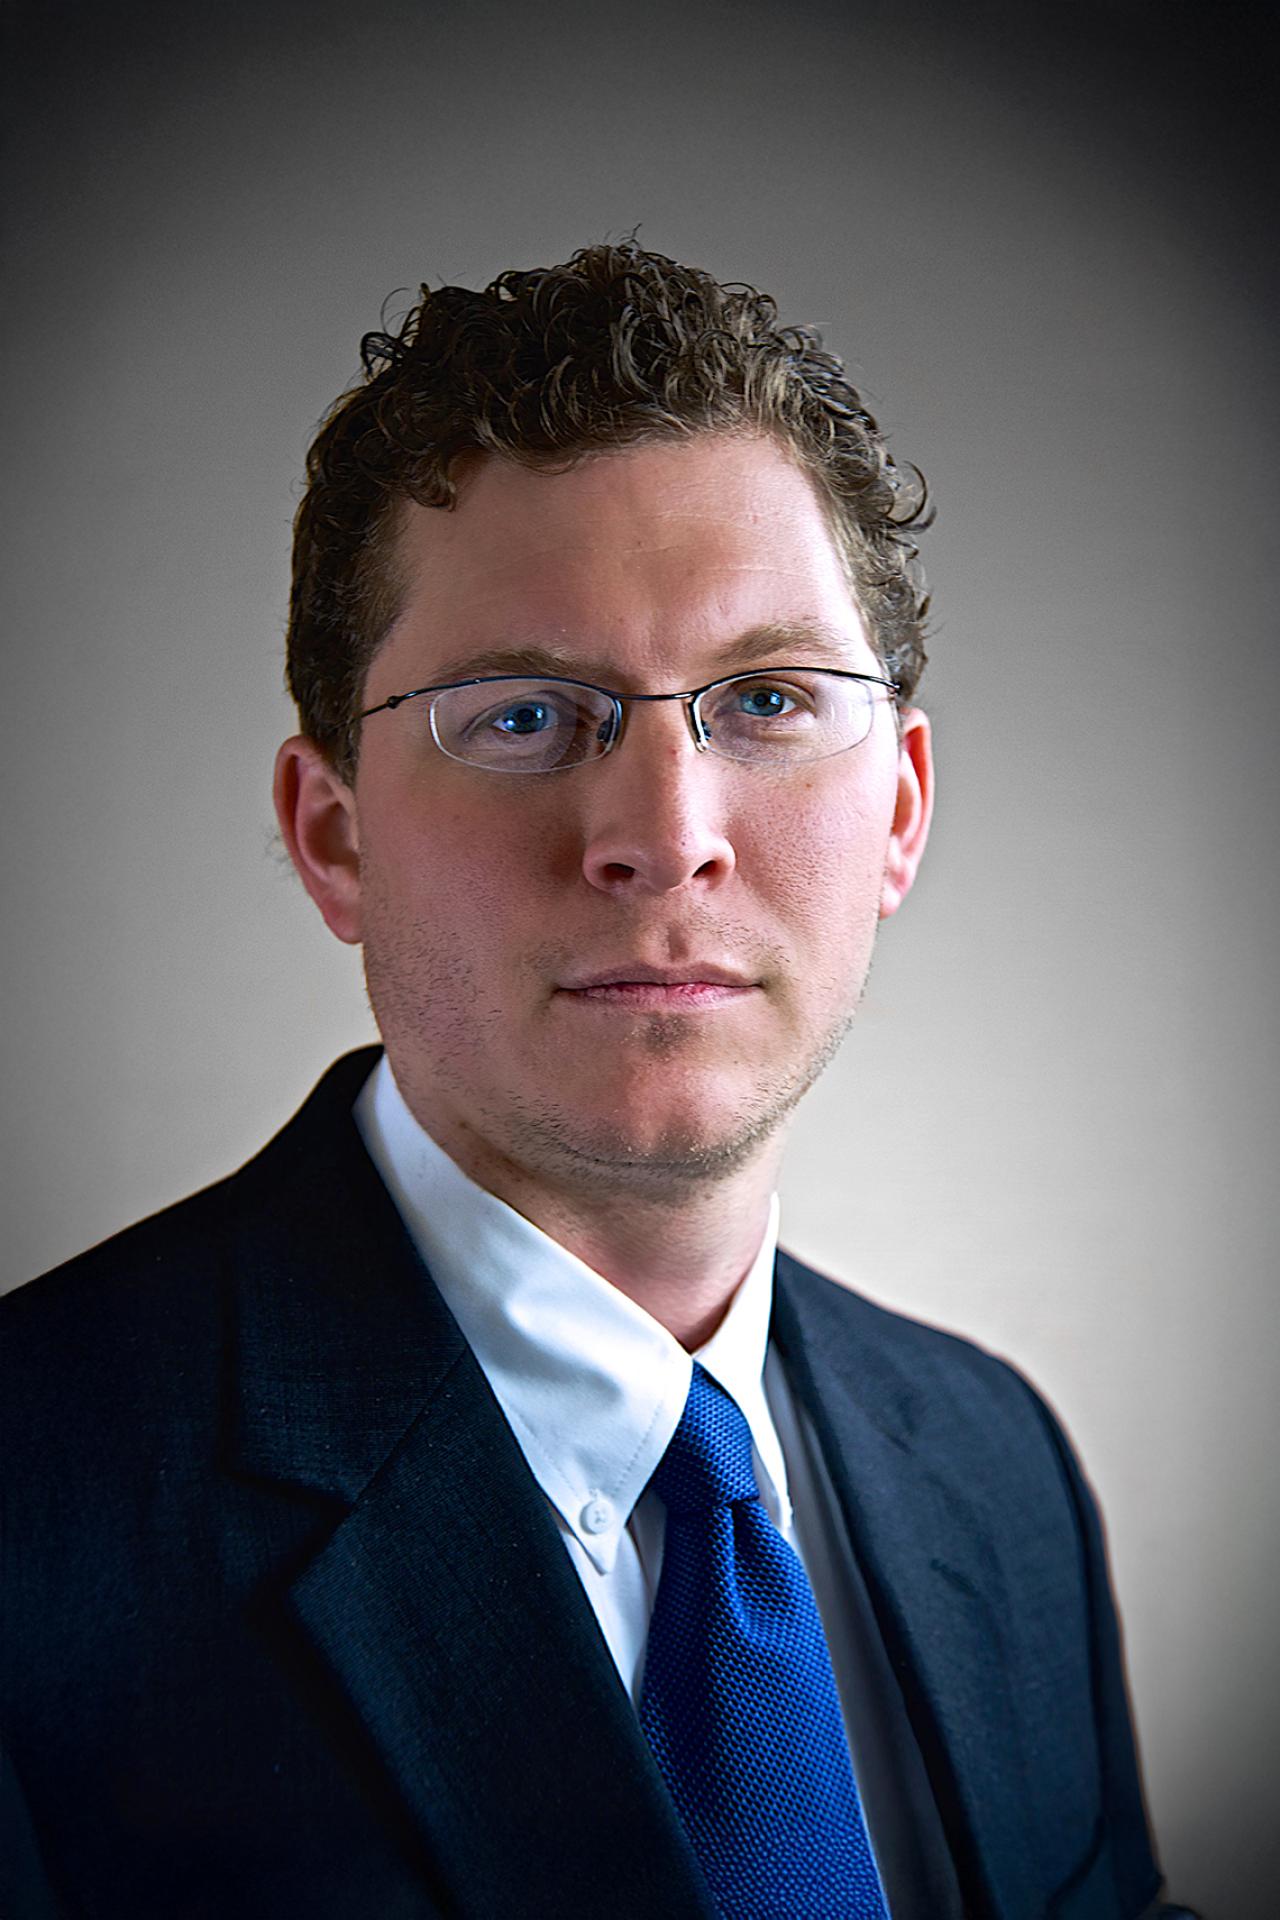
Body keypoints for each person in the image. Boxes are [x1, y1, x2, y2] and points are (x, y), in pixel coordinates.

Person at [0, 241, 1192, 1919]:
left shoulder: (998, 1471)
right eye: (522, 718)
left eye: (767, 699)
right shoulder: (33, 1513)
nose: (664, 835)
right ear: (334, 836)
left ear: (901, 812)